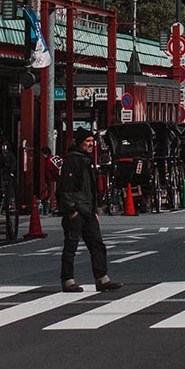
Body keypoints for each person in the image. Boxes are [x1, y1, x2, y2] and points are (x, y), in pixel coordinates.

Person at [57, 124, 120, 294]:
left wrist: (94, 209)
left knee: (97, 245)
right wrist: (71, 209)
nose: (91, 144)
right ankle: (68, 280)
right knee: (71, 246)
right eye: (88, 141)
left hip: (88, 210)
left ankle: (102, 278)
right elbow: (66, 188)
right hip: (76, 210)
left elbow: (91, 189)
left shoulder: (87, 161)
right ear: (80, 143)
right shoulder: (72, 160)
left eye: (92, 141)